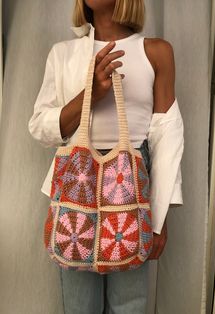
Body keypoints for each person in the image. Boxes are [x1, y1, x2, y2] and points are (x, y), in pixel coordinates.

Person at [28, 0, 184, 313]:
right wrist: (90, 95)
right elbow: (39, 126)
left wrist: (159, 219)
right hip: (77, 183)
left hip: (132, 185)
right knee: (78, 304)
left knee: (130, 303)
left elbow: (167, 136)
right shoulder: (63, 53)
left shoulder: (155, 51)